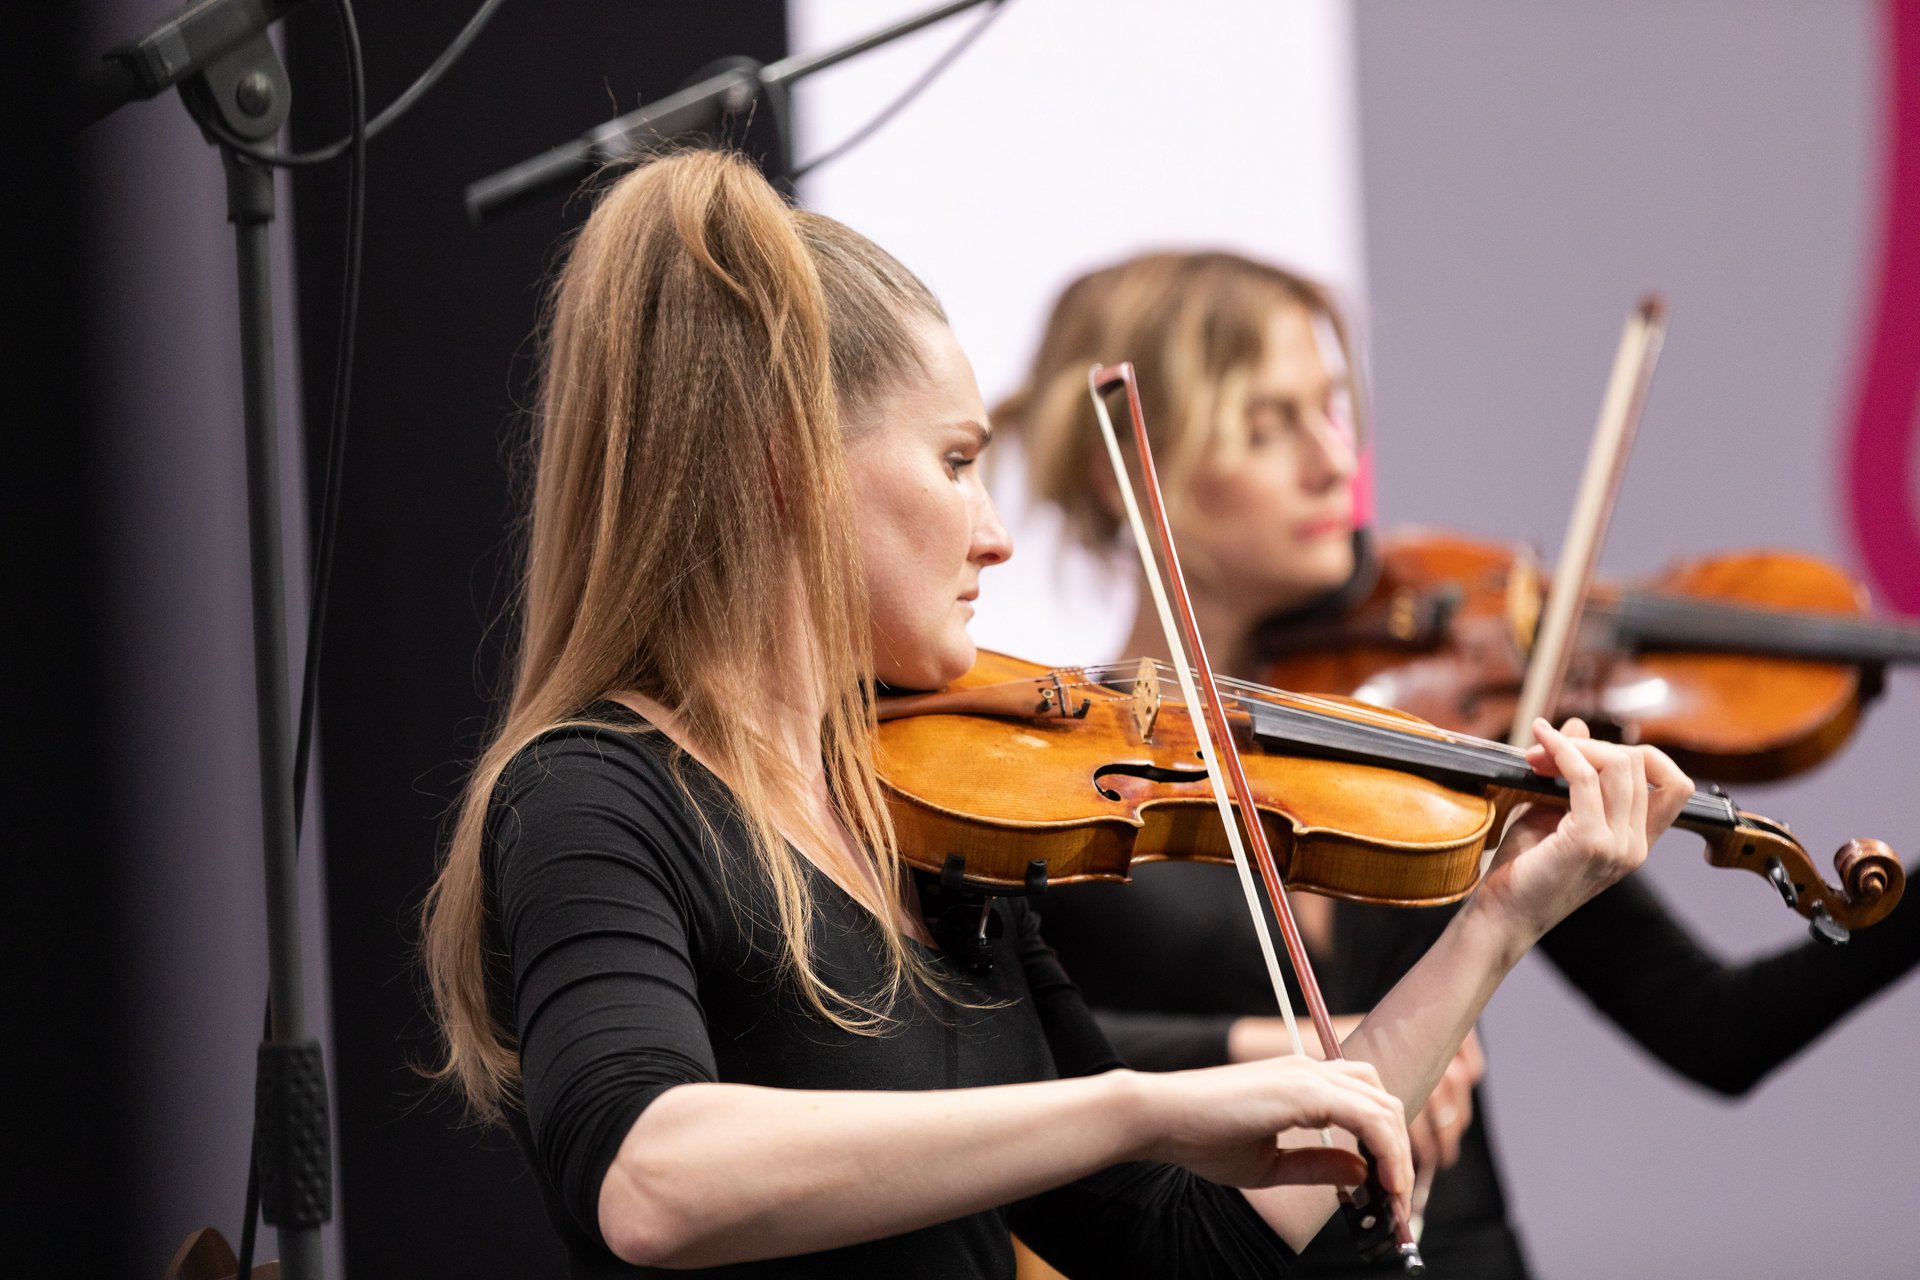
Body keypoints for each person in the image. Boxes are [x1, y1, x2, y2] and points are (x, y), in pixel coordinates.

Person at [419, 153, 1687, 1279]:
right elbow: (651, 1180)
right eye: (956, 462)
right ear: (789, 465)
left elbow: (1198, 1249)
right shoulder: (592, 794)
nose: (996, 533)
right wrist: (1136, 1104)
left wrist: (1497, 922)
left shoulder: (924, 833)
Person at [999, 248, 1920, 1277]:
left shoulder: (1431, 734)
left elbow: (1715, 1027)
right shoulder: (1048, 768)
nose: (1332, 460)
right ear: (1125, 467)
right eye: (1266, 425)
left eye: (1331, 407)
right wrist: (1279, 1047)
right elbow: (995, 1066)